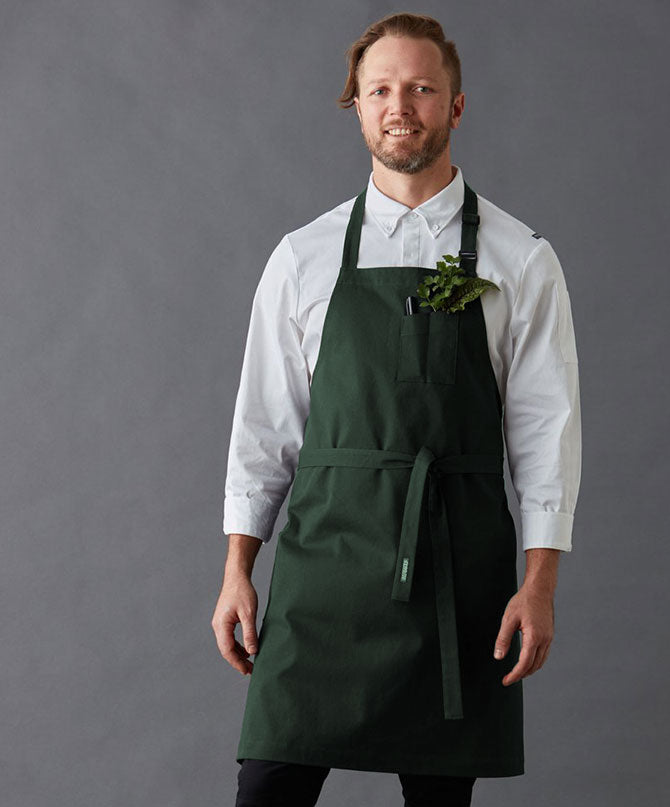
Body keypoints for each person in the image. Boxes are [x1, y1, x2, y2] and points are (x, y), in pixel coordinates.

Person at [212, 12, 582, 807]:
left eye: (420, 88)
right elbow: (266, 427)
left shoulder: (520, 258)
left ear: (455, 106)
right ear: (356, 104)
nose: (399, 107)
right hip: (324, 570)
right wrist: (237, 570)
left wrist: (539, 584)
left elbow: (544, 433)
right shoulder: (302, 257)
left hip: (456, 566)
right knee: (269, 786)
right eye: (379, 90)